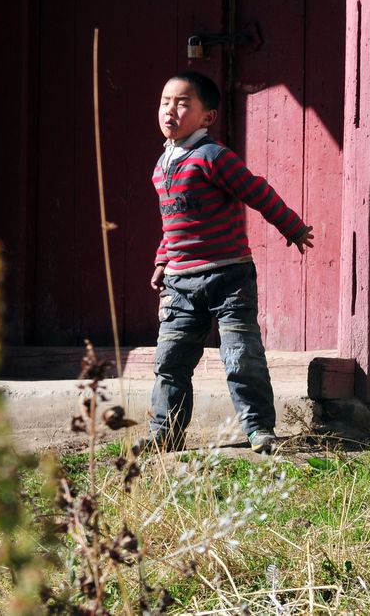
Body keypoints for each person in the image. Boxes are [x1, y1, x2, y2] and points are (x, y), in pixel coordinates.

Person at [142, 71, 314, 455]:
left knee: (240, 355)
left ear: (208, 117)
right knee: (170, 360)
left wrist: (292, 227)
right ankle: (165, 432)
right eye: (165, 102)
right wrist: (161, 261)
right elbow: (173, 223)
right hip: (180, 283)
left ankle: (259, 429)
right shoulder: (162, 166)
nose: (171, 110)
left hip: (228, 275)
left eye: (183, 103)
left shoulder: (213, 157)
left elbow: (257, 191)